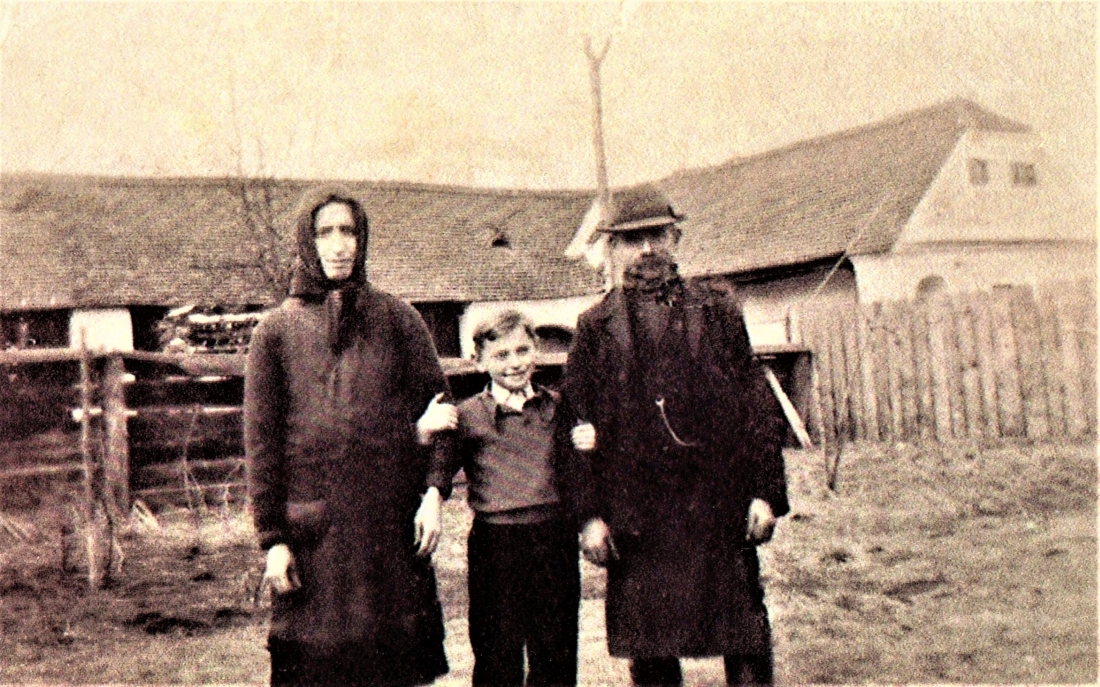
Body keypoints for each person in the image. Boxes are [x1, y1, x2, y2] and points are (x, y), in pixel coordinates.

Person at [553, 184, 789, 686]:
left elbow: (755, 407)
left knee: (743, 635)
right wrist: (590, 517)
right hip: (638, 515)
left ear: (676, 237)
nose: (646, 250)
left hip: (717, 505)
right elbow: (573, 423)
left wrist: (764, 493)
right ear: (612, 248)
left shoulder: (719, 310)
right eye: (632, 239)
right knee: (652, 645)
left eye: (656, 235)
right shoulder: (595, 327)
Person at [245, 185, 450, 687]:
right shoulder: (274, 333)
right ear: (306, 242)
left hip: (389, 536)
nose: (338, 245)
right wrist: (273, 539)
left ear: (362, 239)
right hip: (314, 539)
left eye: (348, 231)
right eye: (324, 232)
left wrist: (435, 493)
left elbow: (441, 413)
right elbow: (262, 446)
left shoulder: (399, 320)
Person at [418, 311, 584, 686]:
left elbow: (584, 464)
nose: (514, 363)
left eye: (522, 350)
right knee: (497, 652)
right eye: (501, 355)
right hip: (496, 547)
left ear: (537, 351)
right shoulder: (467, 416)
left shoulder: (558, 408)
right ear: (478, 360)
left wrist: (589, 441)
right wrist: (431, 500)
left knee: (555, 653)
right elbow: (439, 470)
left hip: (553, 541)